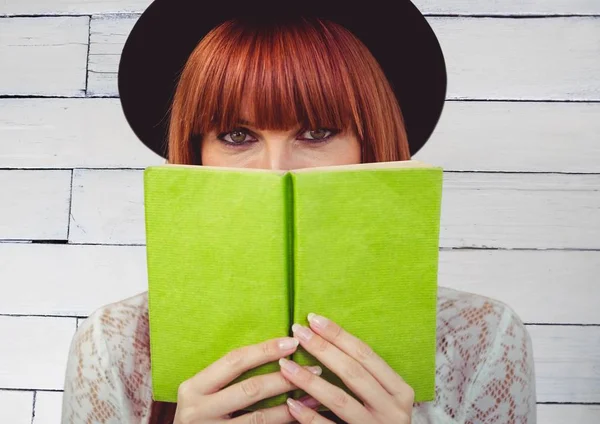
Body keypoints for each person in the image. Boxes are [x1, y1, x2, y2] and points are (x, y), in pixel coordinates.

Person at [61, 2, 537, 423]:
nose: (275, 170)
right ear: (196, 153)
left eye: (317, 132)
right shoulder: (113, 345)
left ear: (370, 147)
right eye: (235, 136)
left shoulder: (483, 339)